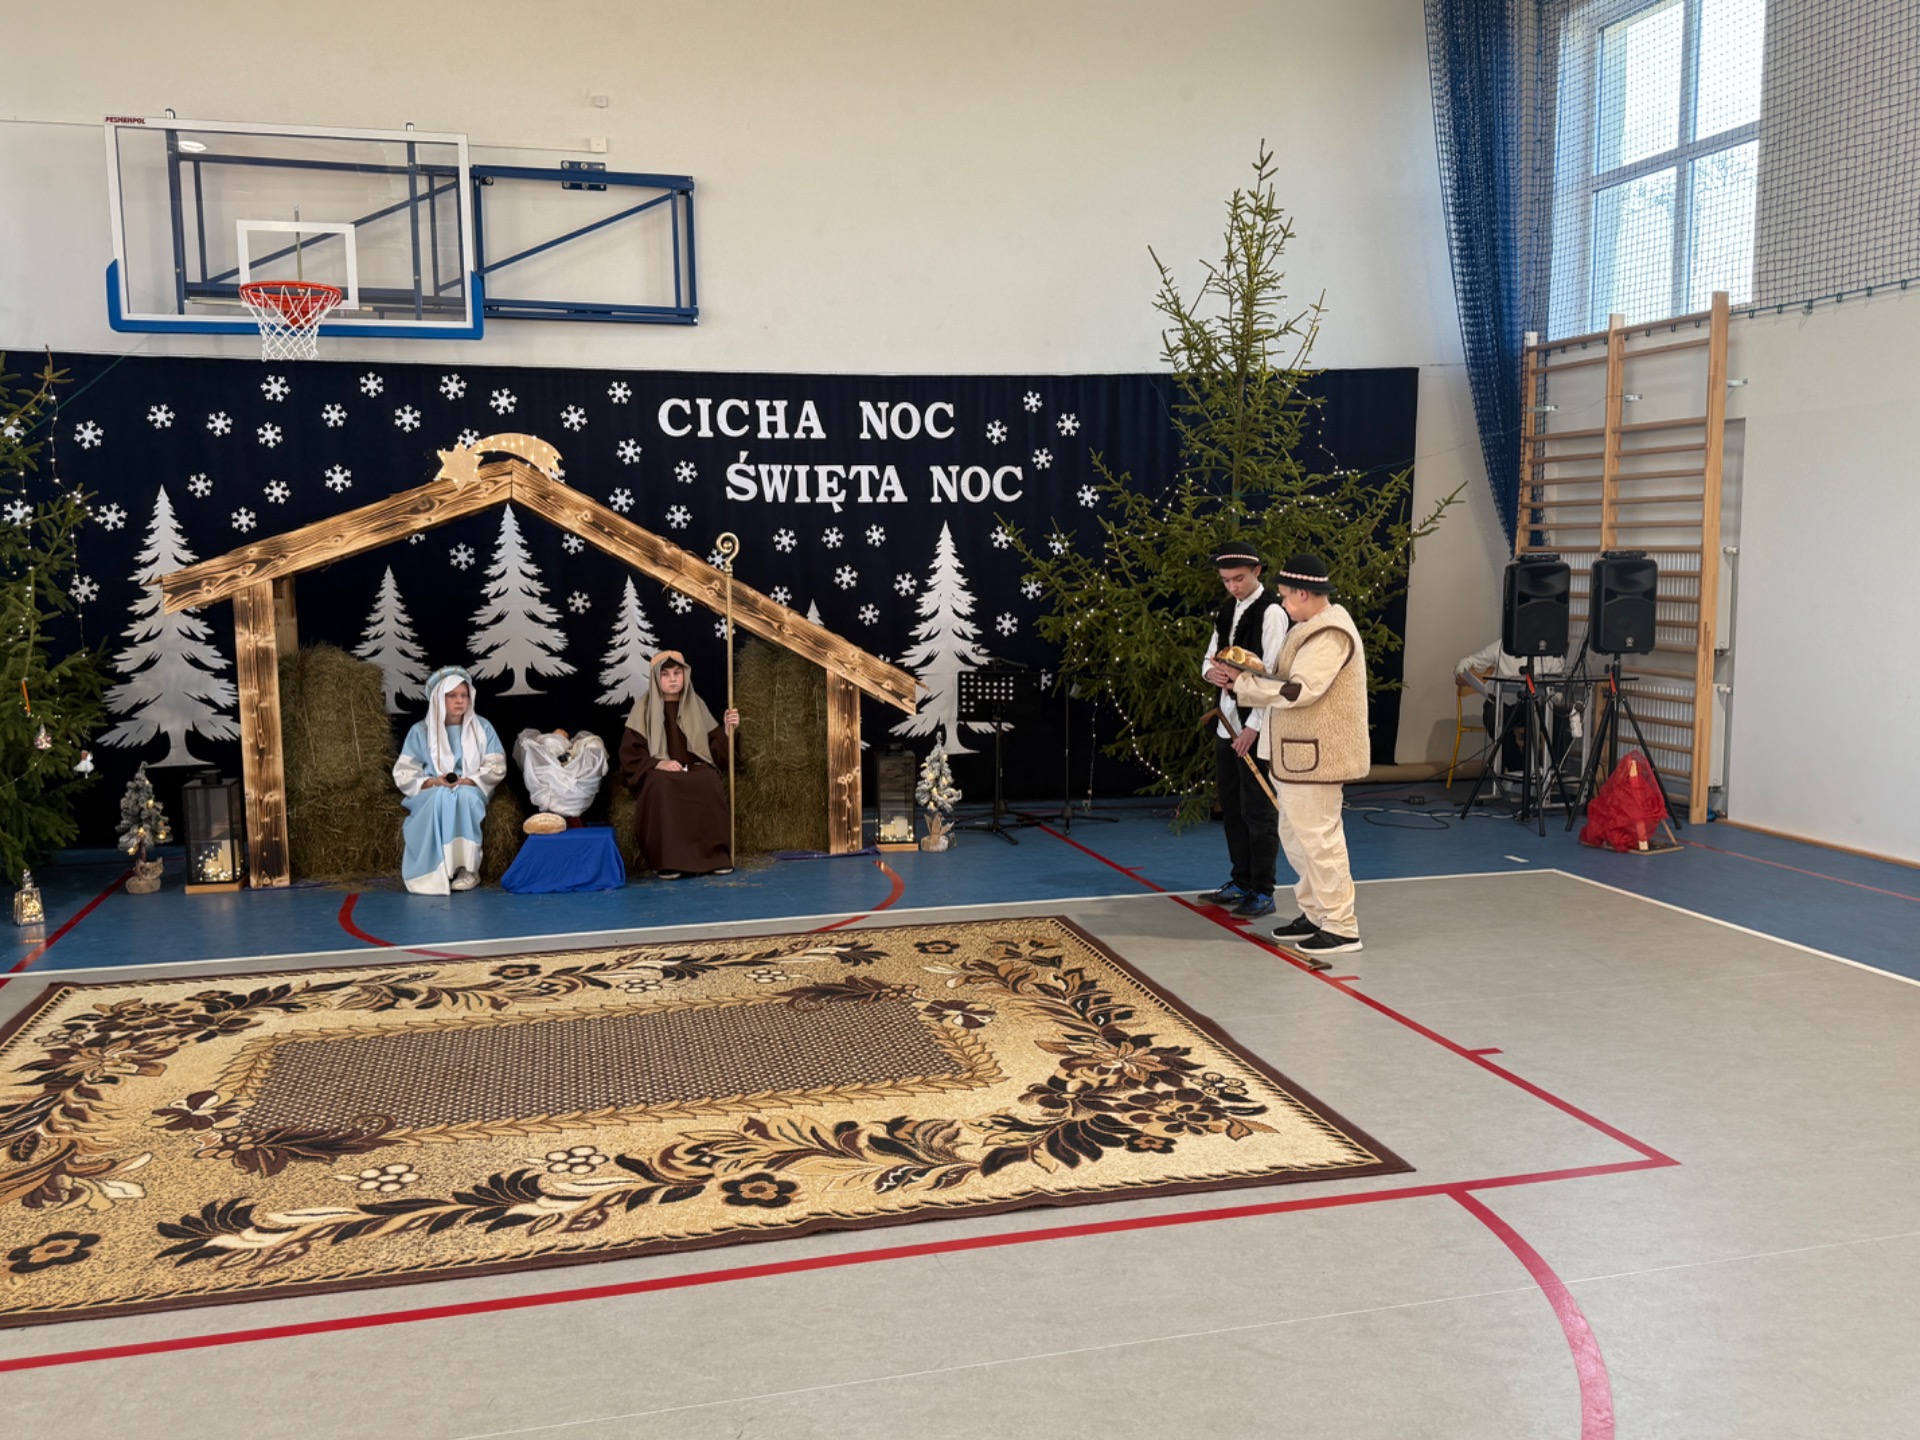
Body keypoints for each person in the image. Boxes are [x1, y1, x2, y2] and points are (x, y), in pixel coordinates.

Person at [1230, 554, 1368, 955]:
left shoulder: (1329, 633)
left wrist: (1245, 685)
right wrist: (1250, 672)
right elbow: (1287, 679)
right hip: (1297, 757)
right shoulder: (1308, 627)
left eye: (1287, 596)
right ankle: (1317, 913)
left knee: (1320, 839)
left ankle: (1341, 926)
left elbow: (1300, 690)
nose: (1283, 603)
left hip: (1317, 758)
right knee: (1297, 838)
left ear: (1304, 594)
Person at [1196, 543, 1289, 918]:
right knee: (1232, 808)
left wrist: (1254, 727)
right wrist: (1211, 674)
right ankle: (1241, 880)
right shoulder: (1226, 610)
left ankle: (1263, 890)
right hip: (1227, 723)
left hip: (1255, 729)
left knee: (1258, 811)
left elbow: (1274, 675)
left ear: (1257, 571)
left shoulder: (1272, 613)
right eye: (1226, 581)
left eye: (1239, 579)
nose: (1233, 587)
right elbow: (1210, 656)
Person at [617, 651, 741, 878]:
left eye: (677, 673)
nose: (672, 679)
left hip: (693, 768)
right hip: (659, 771)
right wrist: (658, 764)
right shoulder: (643, 707)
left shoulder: (697, 704)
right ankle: (669, 861)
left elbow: (717, 754)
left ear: (686, 675)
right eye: (665, 674)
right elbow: (630, 756)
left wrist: (726, 730)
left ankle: (714, 857)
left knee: (709, 780)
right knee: (661, 785)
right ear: (656, 677)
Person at [394, 666, 508, 895]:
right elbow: (404, 772)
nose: (459, 701)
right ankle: (441, 868)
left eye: (464, 695)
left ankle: (468, 869)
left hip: (470, 786)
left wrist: (471, 780)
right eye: (452, 695)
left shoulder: (482, 727)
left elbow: (496, 766)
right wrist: (434, 782)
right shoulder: (421, 731)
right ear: (439, 698)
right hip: (432, 788)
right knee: (441, 797)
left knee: (464, 797)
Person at [1454, 638, 1570, 785]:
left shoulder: (1552, 652)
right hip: (1504, 703)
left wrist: (1558, 700)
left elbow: (1557, 689)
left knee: (1562, 717)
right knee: (1494, 716)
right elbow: (1468, 661)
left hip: (1537, 705)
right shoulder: (1503, 645)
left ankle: (1550, 770)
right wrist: (1460, 673)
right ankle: (1519, 770)